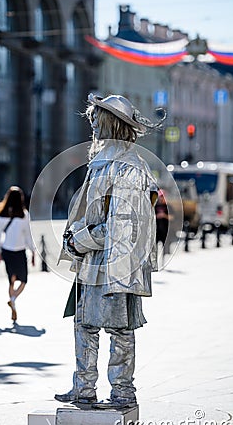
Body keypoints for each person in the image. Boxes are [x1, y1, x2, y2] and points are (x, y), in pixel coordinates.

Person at [55, 93, 165, 408]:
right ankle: (84, 389)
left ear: (107, 123)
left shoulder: (127, 164)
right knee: (84, 325)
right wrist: (76, 238)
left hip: (117, 265)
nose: (91, 125)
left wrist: (80, 240)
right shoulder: (104, 160)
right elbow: (92, 215)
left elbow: (124, 227)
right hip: (96, 262)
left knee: (119, 329)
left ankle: (122, 392)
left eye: (95, 119)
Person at [0, 186, 35, 321]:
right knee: (23, 280)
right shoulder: (24, 215)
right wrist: (33, 251)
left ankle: (12, 300)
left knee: (11, 278)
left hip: (6, 250)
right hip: (20, 250)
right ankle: (13, 299)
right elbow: (28, 236)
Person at [155, 189, 173, 257]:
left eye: (162, 197)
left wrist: (164, 216)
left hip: (165, 229)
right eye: (160, 197)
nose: (161, 198)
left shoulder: (168, 207)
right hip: (157, 230)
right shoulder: (155, 206)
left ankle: (164, 261)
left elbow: (172, 217)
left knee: (165, 248)